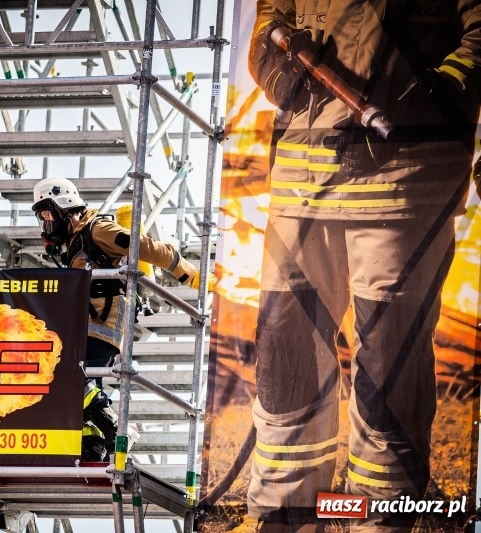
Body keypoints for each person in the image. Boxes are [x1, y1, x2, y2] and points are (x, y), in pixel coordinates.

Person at [234, 0, 481, 531]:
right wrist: (281, 73)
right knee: (286, 351)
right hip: (303, 180)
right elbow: (270, 22)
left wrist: (437, 89)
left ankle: (381, 516)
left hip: (408, 180)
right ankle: (285, 512)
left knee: (390, 362)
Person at [31, 177, 208, 461]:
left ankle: (118, 429)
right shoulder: (76, 243)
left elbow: (145, 247)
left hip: (101, 326)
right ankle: (93, 445)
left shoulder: (97, 229)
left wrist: (190, 274)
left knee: (68, 377)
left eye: (48, 215)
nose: (46, 224)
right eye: (42, 218)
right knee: (80, 387)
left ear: (65, 208)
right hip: (82, 328)